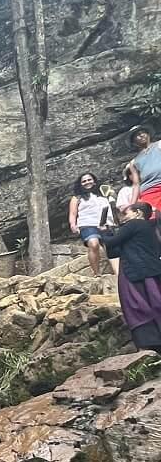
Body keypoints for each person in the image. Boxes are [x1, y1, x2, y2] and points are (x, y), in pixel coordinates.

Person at [98, 202, 161, 352]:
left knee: (137, 306)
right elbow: (115, 250)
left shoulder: (134, 224)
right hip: (152, 271)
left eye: (127, 213)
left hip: (134, 272)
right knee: (155, 302)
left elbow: (112, 243)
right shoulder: (149, 228)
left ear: (138, 213)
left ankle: (150, 342)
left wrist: (104, 232)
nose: (124, 217)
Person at [68, 171, 114, 275]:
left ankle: (117, 274)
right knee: (94, 244)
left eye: (89, 180)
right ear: (80, 184)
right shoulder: (77, 198)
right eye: (84, 181)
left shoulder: (103, 193)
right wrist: (73, 224)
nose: (87, 182)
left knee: (111, 247)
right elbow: (73, 213)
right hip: (87, 224)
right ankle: (97, 274)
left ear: (94, 181)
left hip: (106, 224)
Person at [126, 126, 161, 212]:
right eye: (138, 135)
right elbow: (136, 184)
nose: (141, 135)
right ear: (134, 142)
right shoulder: (133, 163)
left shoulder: (159, 145)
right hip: (148, 191)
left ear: (148, 135)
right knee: (153, 220)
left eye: (143, 132)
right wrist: (132, 205)